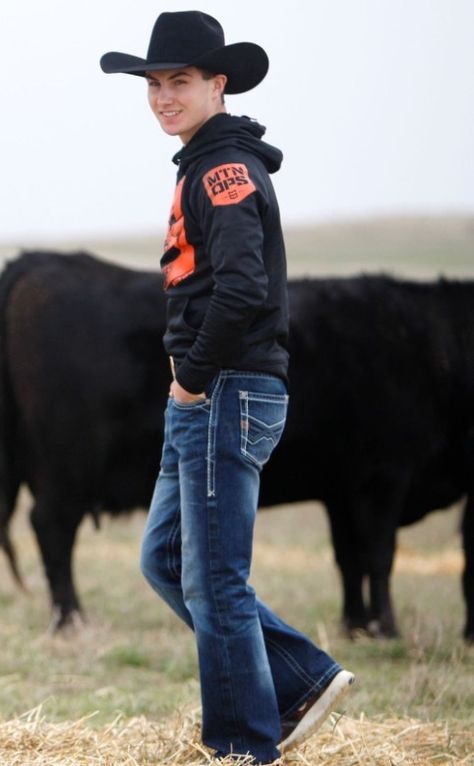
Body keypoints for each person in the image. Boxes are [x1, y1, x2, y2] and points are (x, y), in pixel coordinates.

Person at [100, 11, 354, 764]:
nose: (162, 96)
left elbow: (241, 289)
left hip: (224, 390)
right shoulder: (206, 160)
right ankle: (302, 677)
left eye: (178, 81)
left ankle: (244, 744)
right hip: (219, 391)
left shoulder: (221, 169)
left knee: (214, 579)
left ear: (217, 84)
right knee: (167, 562)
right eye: (153, 83)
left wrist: (190, 379)